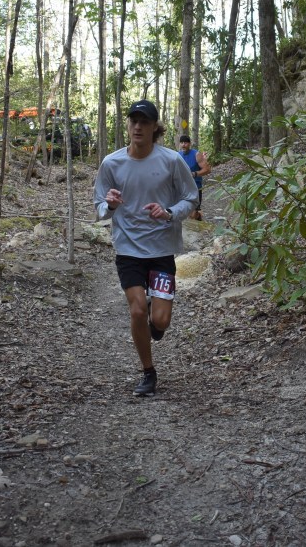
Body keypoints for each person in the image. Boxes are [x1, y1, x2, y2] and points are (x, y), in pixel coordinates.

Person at [94, 100, 199, 396]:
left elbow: (191, 198)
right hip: (128, 249)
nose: (138, 127)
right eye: (134, 121)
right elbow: (99, 207)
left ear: (155, 128)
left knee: (160, 321)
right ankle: (148, 373)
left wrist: (168, 213)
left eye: (145, 122)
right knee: (138, 310)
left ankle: (157, 316)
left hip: (162, 249)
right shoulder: (111, 163)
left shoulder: (171, 160)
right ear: (128, 125)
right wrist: (110, 205)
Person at [177, 134, 211, 221]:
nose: (183, 145)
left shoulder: (196, 154)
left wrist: (194, 174)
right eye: (181, 142)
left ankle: (198, 215)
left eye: (185, 143)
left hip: (195, 187)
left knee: (193, 215)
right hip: (182, 188)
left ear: (189, 144)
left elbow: (207, 169)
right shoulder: (177, 155)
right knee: (185, 213)